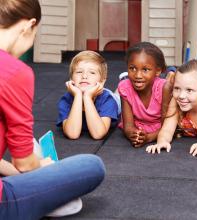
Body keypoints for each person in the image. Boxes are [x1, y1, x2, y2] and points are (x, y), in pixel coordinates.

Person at [0, 0, 105, 219]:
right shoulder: (15, 71)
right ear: (29, 26)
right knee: (91, 165)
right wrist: (42, 166)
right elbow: (24, 163)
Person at [118, 42, 173, 147]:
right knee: (122, 86)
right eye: (132, 68)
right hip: (138, 125)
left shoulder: (164, 88)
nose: (138, 75)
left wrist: (149, 137)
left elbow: (168, 126)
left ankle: (172, 72)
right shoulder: (125, 88)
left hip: (160, 129)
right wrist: (134, 135)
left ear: (157, 71)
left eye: (145, 70)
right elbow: (128, 125)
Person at [57, 50, 120, 139]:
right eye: (79, 72)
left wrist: (87, 97)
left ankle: (123, 82)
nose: (84, 76)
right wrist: (78, 96)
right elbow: (72, 134)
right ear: (71, 78)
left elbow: (98, 134)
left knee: (119, 96)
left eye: (92, 72)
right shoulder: (66, 100)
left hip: (111, 97)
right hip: (88, 92)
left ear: (102, 81)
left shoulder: (108, 100)